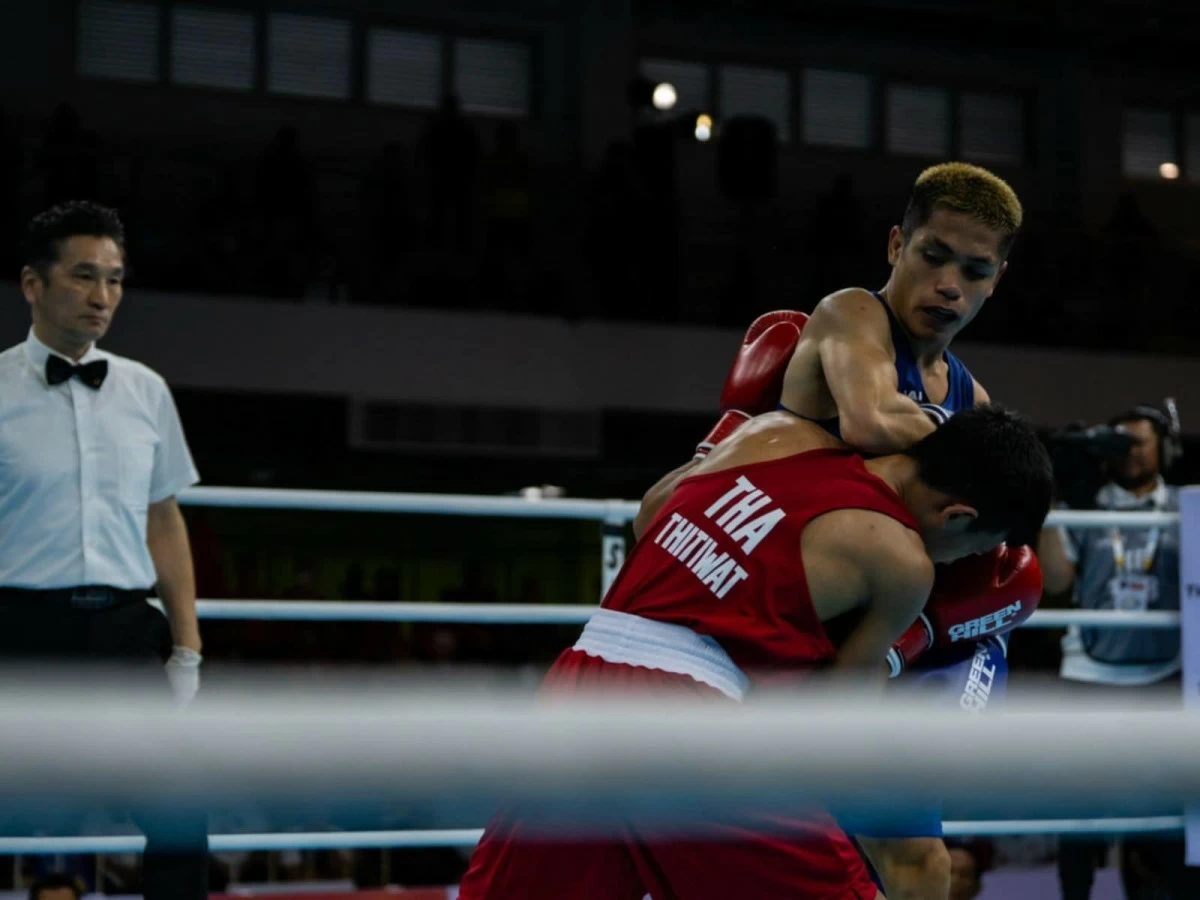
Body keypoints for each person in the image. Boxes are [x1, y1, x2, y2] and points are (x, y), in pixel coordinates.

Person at [458, 397, 1053, 900]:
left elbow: (651, 516)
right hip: (690, 722)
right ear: (958, 515)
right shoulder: (902, 562)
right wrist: (919, 641)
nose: (967, 564)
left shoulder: (777, 432)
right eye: (978, 548)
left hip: (583, 674)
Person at [0, 201, 207, 900]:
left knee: (181, 817)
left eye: (115, 279)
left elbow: (164, 520)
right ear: (34, 284)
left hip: (124, 630)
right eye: (85, 276)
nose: (102, 297)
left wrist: (187, 649)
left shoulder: (145, 390)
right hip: (19, 629)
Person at [1037, 402, 1194, 900]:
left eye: (1139, 441)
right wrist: (1052, 500)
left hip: (1164, 676)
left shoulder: (1186, 508)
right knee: (1079, 814)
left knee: (1159, 820)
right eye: (1118, 442)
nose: (1128, 452)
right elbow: (1057, 580)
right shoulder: (1086, 505)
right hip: (1090, 676)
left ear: (1165, 447)